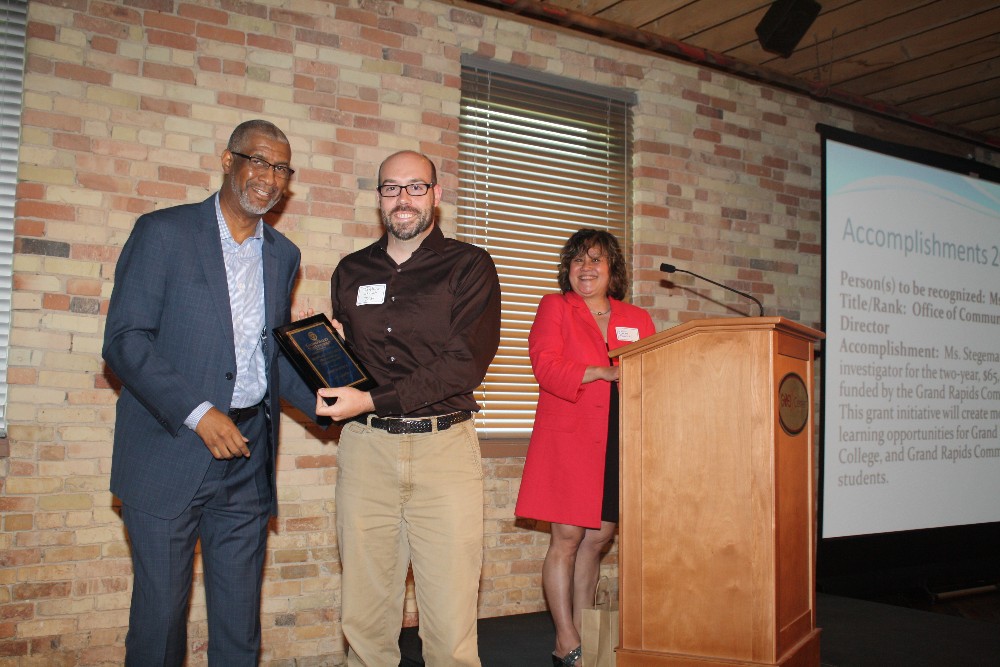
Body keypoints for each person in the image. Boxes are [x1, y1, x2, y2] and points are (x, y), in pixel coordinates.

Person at [103, 119, 322, 666]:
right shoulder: (162, 233)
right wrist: (199, 413)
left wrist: (331, 395)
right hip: (168, 449)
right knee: (159, 626)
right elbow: (126, 342)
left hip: (247, 455)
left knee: (238, 625)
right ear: (229, 161)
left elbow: (264, 353)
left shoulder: (283, 254)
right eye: (259, 161)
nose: (270, 178)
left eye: (282, 169)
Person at [315, 150, 501, 666]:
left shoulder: (469, 265)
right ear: (378, 198)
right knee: (366, 619)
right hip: (366, 451)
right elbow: (351, 365)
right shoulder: (351, 271)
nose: (403, 198)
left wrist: (371, 397)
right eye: (391, 188)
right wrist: (323, 353)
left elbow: (462, 364)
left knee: (449, 621)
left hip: (444, 450)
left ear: (436, 196)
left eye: (415, 187)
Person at [515, 229, 656, 667]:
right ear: (568, 270)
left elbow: (654, 370)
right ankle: (565, 638)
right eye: (578, 261)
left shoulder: (638, 317)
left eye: (596, 260)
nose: (586, 268)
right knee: (568, 538)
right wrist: (602, 372)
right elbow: (546, 364)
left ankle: (585, 633)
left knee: (599, 537)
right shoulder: (555, 306)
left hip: (620, 435)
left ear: (612, 269)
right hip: (570, 436)